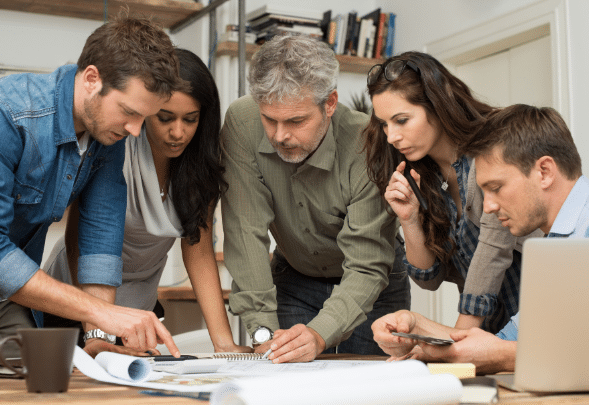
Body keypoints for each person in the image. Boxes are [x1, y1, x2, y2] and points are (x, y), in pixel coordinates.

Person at [0, 16, 186, 364]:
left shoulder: (107, 131)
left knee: (54, 383)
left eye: (144, 119)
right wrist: (103, 313)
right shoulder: (1, 114)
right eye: (129, 113)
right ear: (91, 79)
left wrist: (98, 335)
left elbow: (100, 234)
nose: (135, 131)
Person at [43, 49, 251, 357]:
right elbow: (79, 244)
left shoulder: (199, 168)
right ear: (145, 109)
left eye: (190, 120)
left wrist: (223, 342)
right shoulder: (114, 147)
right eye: (165, 118)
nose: (178, 132)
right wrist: (96, 329)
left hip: (139, 310)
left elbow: (199, 251)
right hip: (76, 307)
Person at [221, 34, 410, 363]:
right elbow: (243, 231)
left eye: (296, 121)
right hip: (295, 277)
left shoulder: (369, 142)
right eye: (270, 119)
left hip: (374, 284)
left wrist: (321, 332)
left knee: (370, 391)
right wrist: (261, 330)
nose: (280, 135)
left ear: (330, 103)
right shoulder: (242, 122)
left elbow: (367, 265)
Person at [372, 104, 587, 374]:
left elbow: (503, 352)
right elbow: (507, 343)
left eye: (496, 188)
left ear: (544, 171)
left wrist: (503, 356)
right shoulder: (555, 248)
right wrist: (417, 328)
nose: (488, 207)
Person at [364, 51, 541, 336]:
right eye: (384, 124)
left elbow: (493, 253)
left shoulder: (491, 151)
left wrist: (456, 345)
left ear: (436, 105)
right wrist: (409, 220)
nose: (391, 136)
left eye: (401, 120)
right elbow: (429, 278)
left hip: (539, 318)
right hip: (490, 331)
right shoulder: (424, 175)